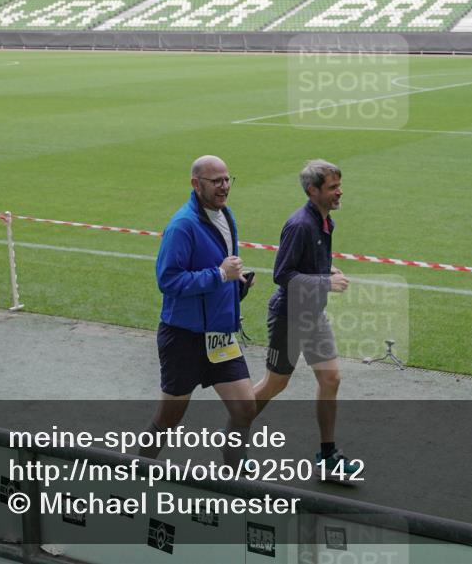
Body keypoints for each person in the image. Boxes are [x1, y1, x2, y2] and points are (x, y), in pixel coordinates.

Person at [142, 155, 255, 464]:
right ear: (196, 184)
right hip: (184, 337)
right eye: (216, 181)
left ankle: (234, 472)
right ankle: (134, 473)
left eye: (228, 179)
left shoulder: (226, 215)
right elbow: (168, 280)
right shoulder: (183, 225)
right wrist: (219, 275)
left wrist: (236, 285)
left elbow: (223, 270)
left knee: (245, 407)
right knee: (168, 419)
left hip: (219, 335)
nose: (224, 186)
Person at [252, 159, 359, 474]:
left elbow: (306, 264)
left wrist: (326, 268)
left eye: (339, 185)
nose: (340, 192)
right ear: (313, 190)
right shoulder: (300, 225)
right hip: (289, 316)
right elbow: (282, 274)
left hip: (314, 314)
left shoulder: (325, 221)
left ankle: (327, 455)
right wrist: (326, 282)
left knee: (330, 378)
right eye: (333, 187)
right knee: (275, 384)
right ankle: (233, 431)